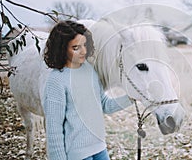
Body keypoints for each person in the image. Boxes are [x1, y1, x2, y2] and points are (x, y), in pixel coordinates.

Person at [43, 20, 132, 160]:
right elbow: (54, 128)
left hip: (100, 148)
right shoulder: (56, 80)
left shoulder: (89, 70)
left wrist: (132, 97)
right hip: (77, 155)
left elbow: (104, 105)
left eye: (85, 45)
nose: (84, 51)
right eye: (76, 47)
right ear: (62, 48)